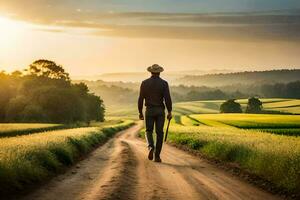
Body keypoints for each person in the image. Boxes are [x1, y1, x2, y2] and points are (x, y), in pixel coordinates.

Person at [138, 64, 172, 163]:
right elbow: (167, 99)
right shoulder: (164, 83)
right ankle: (157, 156)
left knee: (148, 131)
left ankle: (150, 147)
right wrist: (169, 111)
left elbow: (140, 99)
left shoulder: (144, 83)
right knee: (159, 133)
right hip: (160, 110)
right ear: (160, 72)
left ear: (150, 72)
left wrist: (140, 112)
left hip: (149, 110)